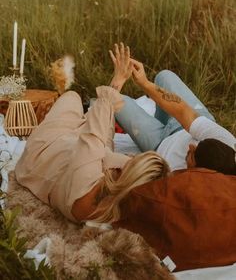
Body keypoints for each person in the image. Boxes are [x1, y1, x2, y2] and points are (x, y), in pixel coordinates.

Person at [15, 43, 169, 225]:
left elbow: (93, 138)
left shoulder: (86, 193)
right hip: (77, 148)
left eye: (133, 161)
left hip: (44, 154)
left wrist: (117, 82)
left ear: (132, 176)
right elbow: (103, 144)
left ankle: (88, 112)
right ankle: (91, 112)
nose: (129, 156)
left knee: (72, 97)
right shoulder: (126, 195)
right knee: (104, 117)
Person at [112, 49, 236, 175]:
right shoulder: (226, 143)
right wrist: (144, 83)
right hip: (182, 126)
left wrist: (116, 83)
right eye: (199, 144)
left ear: (198, 172)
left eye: (193, 155)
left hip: (158, 145)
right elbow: (183, 111)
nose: (191, 146)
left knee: (113, 101)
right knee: (164, 76)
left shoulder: (179, 182)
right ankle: (157, 121)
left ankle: (153, 125)